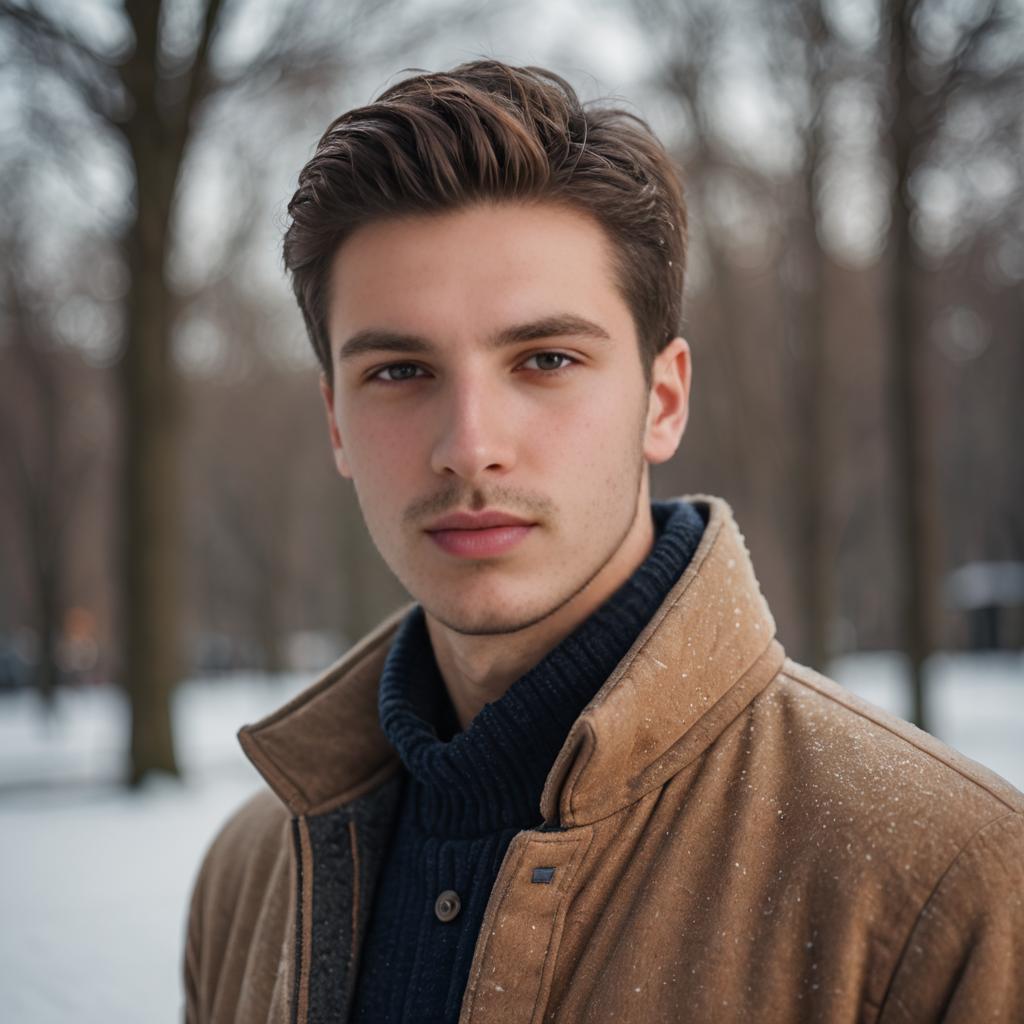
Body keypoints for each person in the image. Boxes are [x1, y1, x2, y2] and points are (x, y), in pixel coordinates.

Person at [183, 60, 1024, 1024]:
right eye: (400, 371)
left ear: (662, 402)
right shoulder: (253, 879)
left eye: (546, 360)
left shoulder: (944, 885)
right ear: (335, 420)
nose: (469, 449)